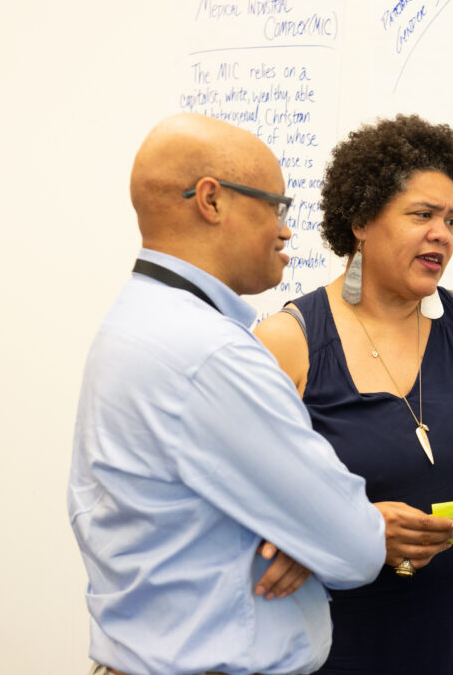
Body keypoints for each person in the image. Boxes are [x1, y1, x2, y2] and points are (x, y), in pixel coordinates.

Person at [67, 112, 386, 675]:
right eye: (276, 207)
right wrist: (319, 537)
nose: (287, 231)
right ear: (211, 201)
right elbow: (357, 548)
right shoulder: (213, 354)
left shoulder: (134, 320)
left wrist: (306, 536)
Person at [254, 113, 453, 674]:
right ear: (361, 220)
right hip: (335, 656)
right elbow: (245, 514)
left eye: (452, 219)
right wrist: (357, 531)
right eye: (422, 215)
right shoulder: (289, 343)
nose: (442, 233)